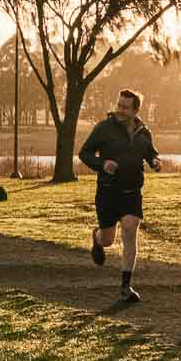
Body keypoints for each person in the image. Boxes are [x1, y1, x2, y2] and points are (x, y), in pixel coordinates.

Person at [77, 87, 162, 302]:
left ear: (135, 110)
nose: (120, 111)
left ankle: (126, 285)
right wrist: (102, 163)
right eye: (119, 105)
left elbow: (150, 152)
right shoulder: (104, 128)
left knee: (130, 230)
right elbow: (84, 153)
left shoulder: (143, 132)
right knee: (108, 240)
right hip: (108, 191)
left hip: (132, 192)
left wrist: (154, 161)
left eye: (125, 107)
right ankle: (97, 238)